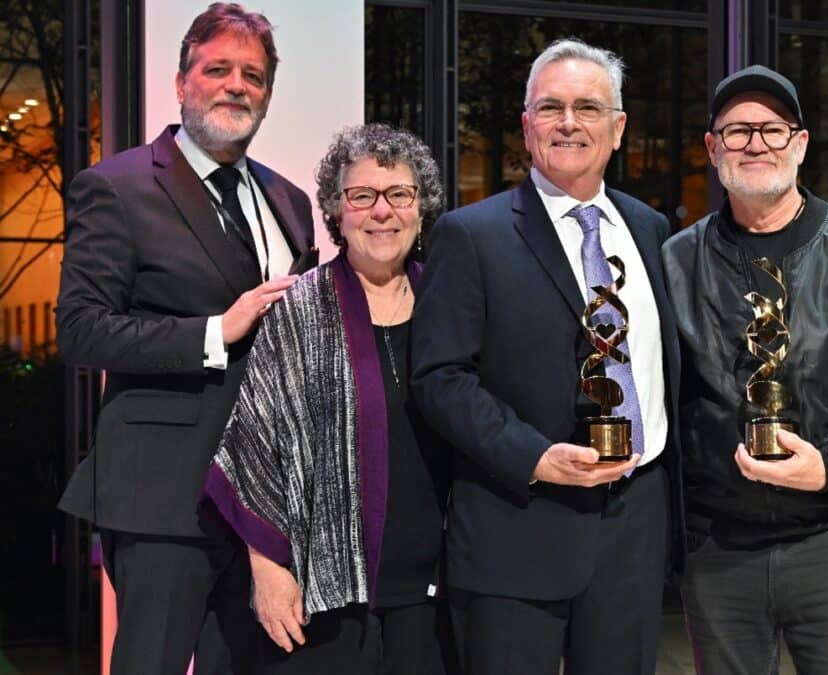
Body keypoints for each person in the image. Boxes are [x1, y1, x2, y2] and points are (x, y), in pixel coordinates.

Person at [55, 4, 316, 672]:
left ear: (267, 94)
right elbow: (82, 330)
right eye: (218, 69)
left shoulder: (288, 200)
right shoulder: (117, 187)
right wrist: (213, 332)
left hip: (260, 505)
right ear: (181, 82)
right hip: (164, 496)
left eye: (253, 76)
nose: (236, 85)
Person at [410, 38, 682, 675]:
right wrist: (533, 456)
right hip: (517, 526)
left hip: (633, 528)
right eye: (550, 108)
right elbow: (440, 378)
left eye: (587, 108)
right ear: (527, 127)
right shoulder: (469, 234)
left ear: (617, 129)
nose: (568, 123)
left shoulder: (651, 230)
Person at [661, 65, 828, 675]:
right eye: (737, 132)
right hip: (719, 547)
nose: (756, 144)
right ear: (712, 148)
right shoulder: (675, 260)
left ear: (800, 143)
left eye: (772, 129)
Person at [204, 123, 453, 674]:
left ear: (421, 207)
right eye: (361, 196)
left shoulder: (451, 302)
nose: (381, 211)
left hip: (438, 591)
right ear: (336, 212)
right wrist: (268, 573)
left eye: (399, 195)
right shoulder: (299, 310)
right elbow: (255, 448)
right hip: (324, 593)